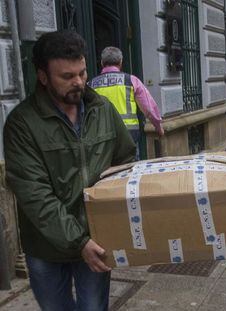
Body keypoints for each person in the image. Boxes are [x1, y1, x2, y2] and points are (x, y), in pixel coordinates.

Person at [4, 30, 136, 310]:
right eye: (67, 76)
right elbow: (36, 196)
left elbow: (126, 158)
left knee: (93, 307)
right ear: (43, 76)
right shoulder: (22, 124)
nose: (78, 82)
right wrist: (79, 241)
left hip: (96, 238)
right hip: (46, 247)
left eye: (82, 72)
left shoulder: (102, 109)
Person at [90, 46, 164, 160]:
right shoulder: (131, 80)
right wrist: (158, 126)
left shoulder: (91, 85)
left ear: (101, 63)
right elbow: (149, 107)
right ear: (120, 62)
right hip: (128, 136)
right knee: (130, 170)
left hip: (102, 137)